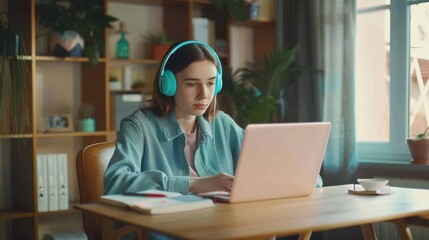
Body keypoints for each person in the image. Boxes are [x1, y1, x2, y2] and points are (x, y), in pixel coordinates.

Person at [104, 40, 245, 196]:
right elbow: (115, 182)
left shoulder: (222, 124)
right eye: (192, 84)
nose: (204, 95)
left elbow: (262, 164)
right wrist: (194, 184)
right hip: (165, 219)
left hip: (219, 217)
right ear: (168, 84)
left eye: (211, 83)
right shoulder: (138, 127)